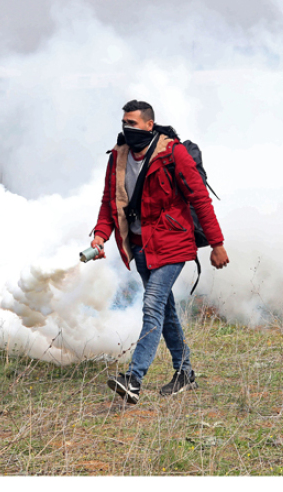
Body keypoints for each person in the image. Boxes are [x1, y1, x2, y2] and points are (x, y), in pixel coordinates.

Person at [91, 99, 229, 404]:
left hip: (173, 243)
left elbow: (200, 200)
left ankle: (134, 379)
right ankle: (185, 372)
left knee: (152, 304)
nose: (127, 129)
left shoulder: (173, 154)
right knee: (165, 312)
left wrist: (217, 245)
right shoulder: (119, 157)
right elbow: (109, 202)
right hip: (140, 247)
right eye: (124, 123)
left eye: (133, 124)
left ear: (149, 125)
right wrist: (100, 236)